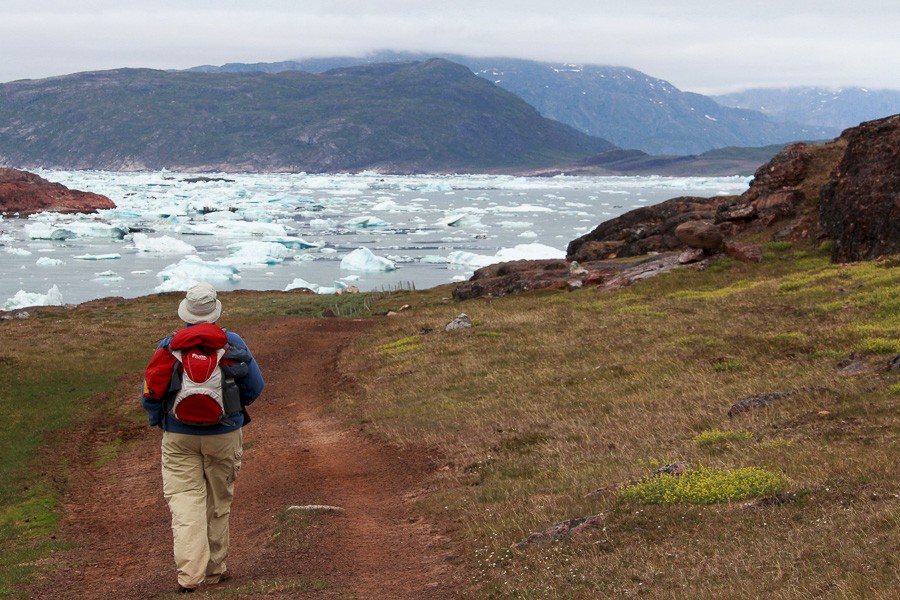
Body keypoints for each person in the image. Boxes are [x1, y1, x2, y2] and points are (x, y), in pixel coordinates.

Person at [140, 282, 264, 593]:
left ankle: (189, 577)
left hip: (179, 438)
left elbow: (150, 394)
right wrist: (233, 410)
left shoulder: (168, 345)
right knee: (218, 502)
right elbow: (256, 387)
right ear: (215, 312)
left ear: (186, 314)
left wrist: (163, 422)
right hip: (224, 434)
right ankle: (213, 571)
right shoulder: (232, 342)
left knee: (185, 504)